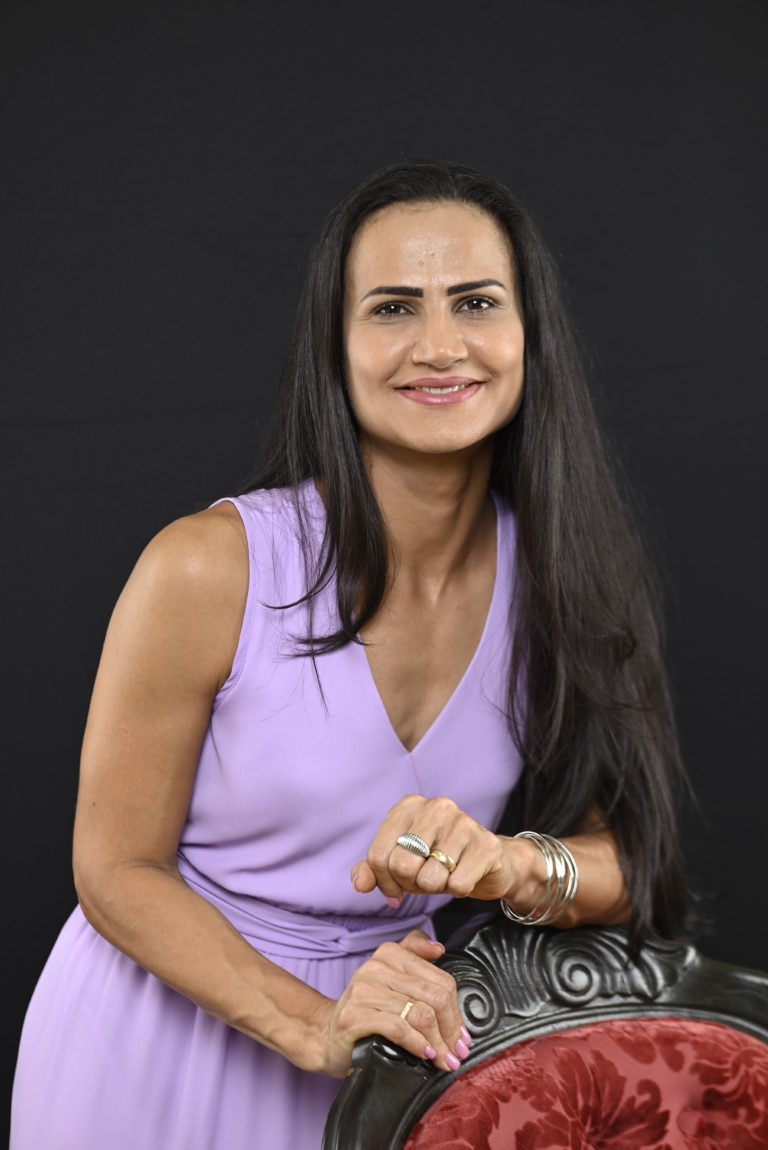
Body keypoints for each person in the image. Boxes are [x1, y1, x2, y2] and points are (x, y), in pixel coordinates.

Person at [10, 158, 692, 1150]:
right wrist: (313, 1025)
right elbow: (114, 867)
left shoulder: (566, 580)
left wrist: (509, 864)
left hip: (399, 1039)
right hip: (159, 1037)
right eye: (392, 308)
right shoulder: (206, 567)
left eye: (476, 302)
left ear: (530, 335)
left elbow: (629, 863)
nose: (439, 345)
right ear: (335, 348)